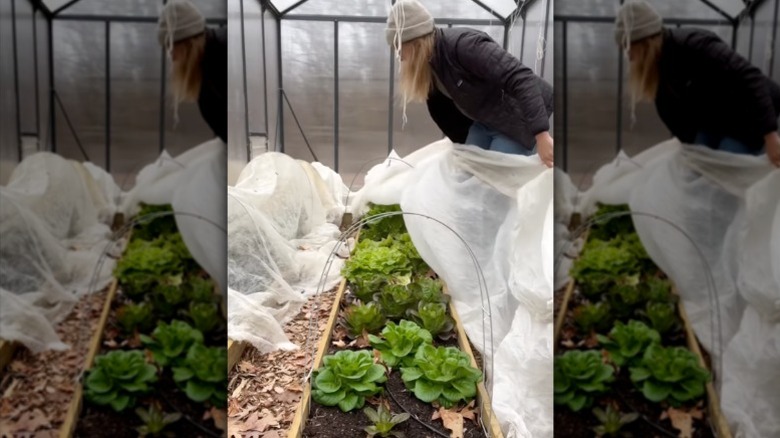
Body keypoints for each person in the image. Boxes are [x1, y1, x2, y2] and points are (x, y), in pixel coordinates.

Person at [385, 0, 554, 167]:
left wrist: (541, 135)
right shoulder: (430, 65)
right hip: (484, 122)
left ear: (416, 43)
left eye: (400, 48)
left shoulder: (464, 45)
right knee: (467, 171)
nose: (399, 56)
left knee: (495, 179)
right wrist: (460, 145)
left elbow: (520, 77)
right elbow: (444, 113)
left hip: (517, 119)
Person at [615, 0, 780, 167]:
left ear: (646, 43)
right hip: (717, 118)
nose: (628, 56)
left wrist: (770, 136)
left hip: (750, 115)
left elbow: (749, 77)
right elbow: (674, 118)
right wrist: (691, 154)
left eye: (629, 47)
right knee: (697, 166)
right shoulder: (658, 70)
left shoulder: (694, 44)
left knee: (723, 167)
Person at [158, 0, 227, 144]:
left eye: (171, 47)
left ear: (187, 44)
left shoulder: (221, 60)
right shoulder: (209, 62)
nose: (171, 55)